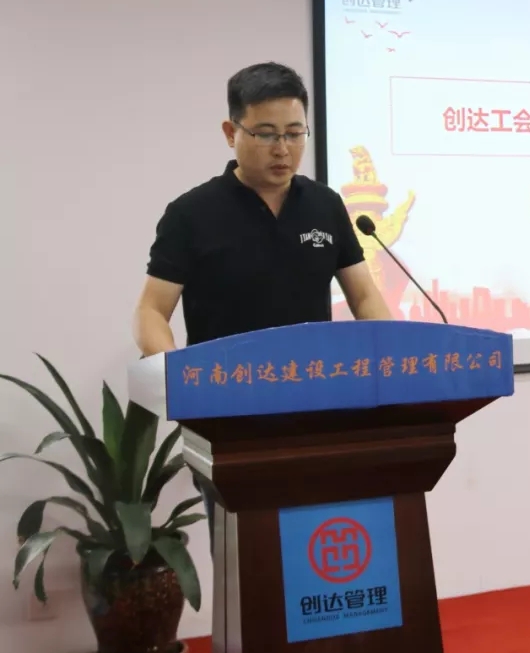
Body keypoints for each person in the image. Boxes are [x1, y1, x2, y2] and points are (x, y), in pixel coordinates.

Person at [133, 61, 394, 545]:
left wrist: (394, 357)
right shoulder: (191, 214)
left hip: (318, 407)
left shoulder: (325, 205)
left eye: (295, 133)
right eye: (267, 134)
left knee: (320, 542)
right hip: (228, 417)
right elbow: (151, 310)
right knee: (247, 557)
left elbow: (363, 296)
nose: (283, 149)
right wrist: (177, 377)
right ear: (230, 131)